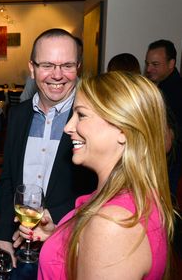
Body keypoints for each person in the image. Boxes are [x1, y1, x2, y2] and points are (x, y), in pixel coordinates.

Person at [17, 71, 175, 279]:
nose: (67, 127)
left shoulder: (113, 224)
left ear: (122, 129)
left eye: (81, 115)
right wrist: (58, 237)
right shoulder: (120, 198)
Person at [0, 28, 96, 278]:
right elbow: (7, 183)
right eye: (47, 65)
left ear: (78, 67)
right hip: (17, 246)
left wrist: (53, 219)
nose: (57, 75)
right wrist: (2, 235)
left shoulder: (91, 120)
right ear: (32, 68)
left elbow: (97, 189)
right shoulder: (19, 115)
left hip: (68, 249)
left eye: (67, 65)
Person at [145, 39, 182, 195]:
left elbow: (167, 140)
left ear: (171, 63)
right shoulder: (163, 88)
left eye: (155, 64)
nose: (148, 69)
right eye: (147, 63)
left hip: (170, 168)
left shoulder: (171, 92)